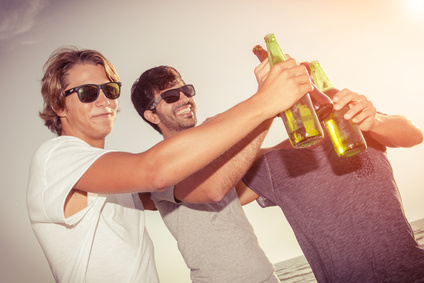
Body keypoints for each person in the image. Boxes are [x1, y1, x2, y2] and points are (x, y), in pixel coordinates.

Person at [26, 46, 312, 282]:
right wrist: (265, 103)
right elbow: (159, 172)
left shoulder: (116, 176)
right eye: (88, 92)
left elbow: (219, 186)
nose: (104, 101)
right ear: (59, 106)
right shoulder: (56, 157)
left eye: (110, 90)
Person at [236, 63, 424, 282]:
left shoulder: (359, 126)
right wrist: (262, 110)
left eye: (309, 84)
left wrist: (376, 120)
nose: (307, 94)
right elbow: (223, 193)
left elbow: (413, 134)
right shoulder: (273, 164)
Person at [130, 63, 280, 282]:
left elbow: (262, 155)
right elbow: (213, 190)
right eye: (171, 96)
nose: (184, 98)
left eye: (187, 90)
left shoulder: (212, 155)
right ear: (152, 116)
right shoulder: (160, 165)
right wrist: (268, 105)